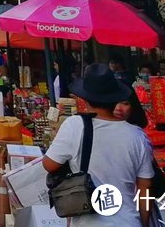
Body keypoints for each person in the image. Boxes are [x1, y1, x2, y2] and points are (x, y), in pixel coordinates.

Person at [42, 64, 155, 226]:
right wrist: (143, 222)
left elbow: (49, 164)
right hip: (127, 221)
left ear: (85, 99)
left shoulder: (74, 126)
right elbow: (145, 187)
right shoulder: (137, 136)